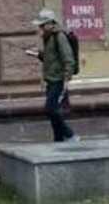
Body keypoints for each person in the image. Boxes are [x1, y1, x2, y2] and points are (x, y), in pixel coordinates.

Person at [30, 8, 78, 144]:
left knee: (50, 109)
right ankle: (58, 140)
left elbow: (68, 59)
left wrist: (66, 79)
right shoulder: (49, 37)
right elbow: (51, 58)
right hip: (51, 80)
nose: (39, 28)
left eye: (42, 25)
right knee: (53, 110)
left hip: (58, 80)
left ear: (50, 24)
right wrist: (38, 54)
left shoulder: (59, 36)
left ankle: (70, 134)